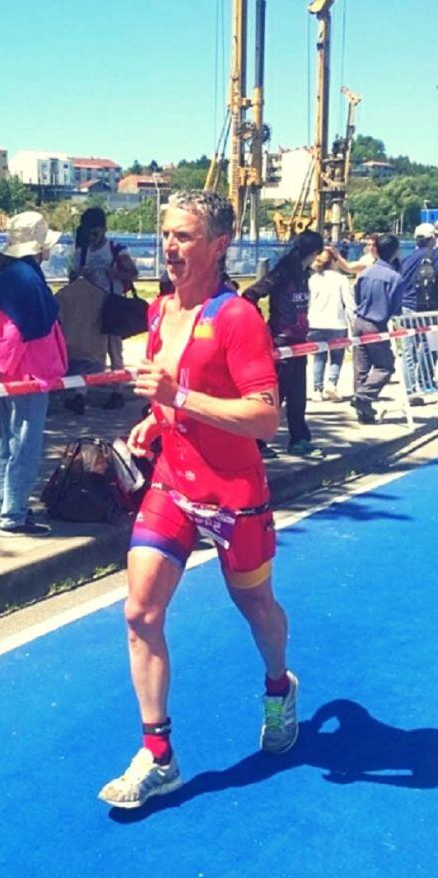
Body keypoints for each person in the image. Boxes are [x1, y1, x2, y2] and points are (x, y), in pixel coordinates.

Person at [97, 190, 298, 810]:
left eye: (184, 236)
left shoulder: (237, 317)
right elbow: (168, 389)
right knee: (139, 613)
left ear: (218, 246)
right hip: (173, 487)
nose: (170, 246)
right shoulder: (159, 311)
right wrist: (157, 421)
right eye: (165, 235)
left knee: (256, 607)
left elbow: (265, 417)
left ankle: (278, 686)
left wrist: (177, 399)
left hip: (234, 495)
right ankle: (159, 755)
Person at [0, 210, 68, 537]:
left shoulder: (4, 278)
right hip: (26, 376)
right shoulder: (27, 281)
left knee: (7, 442)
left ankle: (3, 503)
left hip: (5, 375)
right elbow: (14, 333)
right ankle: (13, 514)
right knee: (25, 446)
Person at [243, 230, 326, 459]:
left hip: (299, 343)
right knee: (275, 397)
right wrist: (259, 326)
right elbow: (250, 294)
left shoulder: (304, 274)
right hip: (281, 343)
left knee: (298, 395)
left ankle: (299, 439)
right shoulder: (282, 273)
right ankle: (256, 442)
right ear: (315, 252)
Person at [72, 207, 139, 409]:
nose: (91, 237)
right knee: (86, 350)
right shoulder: (81, 252)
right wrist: (80, 275)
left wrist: (116, 274)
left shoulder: (116, 249)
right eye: (88, 233)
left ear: (103, 229)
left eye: (95, 233)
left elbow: (133, 274)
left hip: (111, 304)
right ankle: (80, 394)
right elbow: (71, 279)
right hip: (89, 305)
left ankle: (117, 391)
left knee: (114, 349)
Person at [351, 234, 404, 424]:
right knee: (385, 366)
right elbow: (395, 306)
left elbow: (356, 296)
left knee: (361, 367)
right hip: (376, 325)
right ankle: (363, 396)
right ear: (395, 251)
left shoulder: (366, 272)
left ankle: (363, 411)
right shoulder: (394, 278)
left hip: (359, 321)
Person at [55, 266, 110, 416]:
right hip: (93, 342)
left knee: (73, 370)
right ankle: (80, 395)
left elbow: (56, 319)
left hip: (69, 341)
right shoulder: (101, 294)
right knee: (86, 371)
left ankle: (75, 396)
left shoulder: (63, 294)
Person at [394, 223, 438, 403]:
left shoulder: (408, 258)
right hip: (427, 309)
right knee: (428, 345)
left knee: (408, 348)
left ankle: (410, 388)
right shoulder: (435, 256)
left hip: (406, 306)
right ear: (432, 238)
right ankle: (426, 382)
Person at [307, 248, 354, 402]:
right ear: (334, 261)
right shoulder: (341, 279)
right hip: (336, 323)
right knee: (336, 357)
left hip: (315, 322)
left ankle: (317, 389)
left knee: (319, 357)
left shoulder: (313, 279)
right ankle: (332, 383)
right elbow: (348, 303)